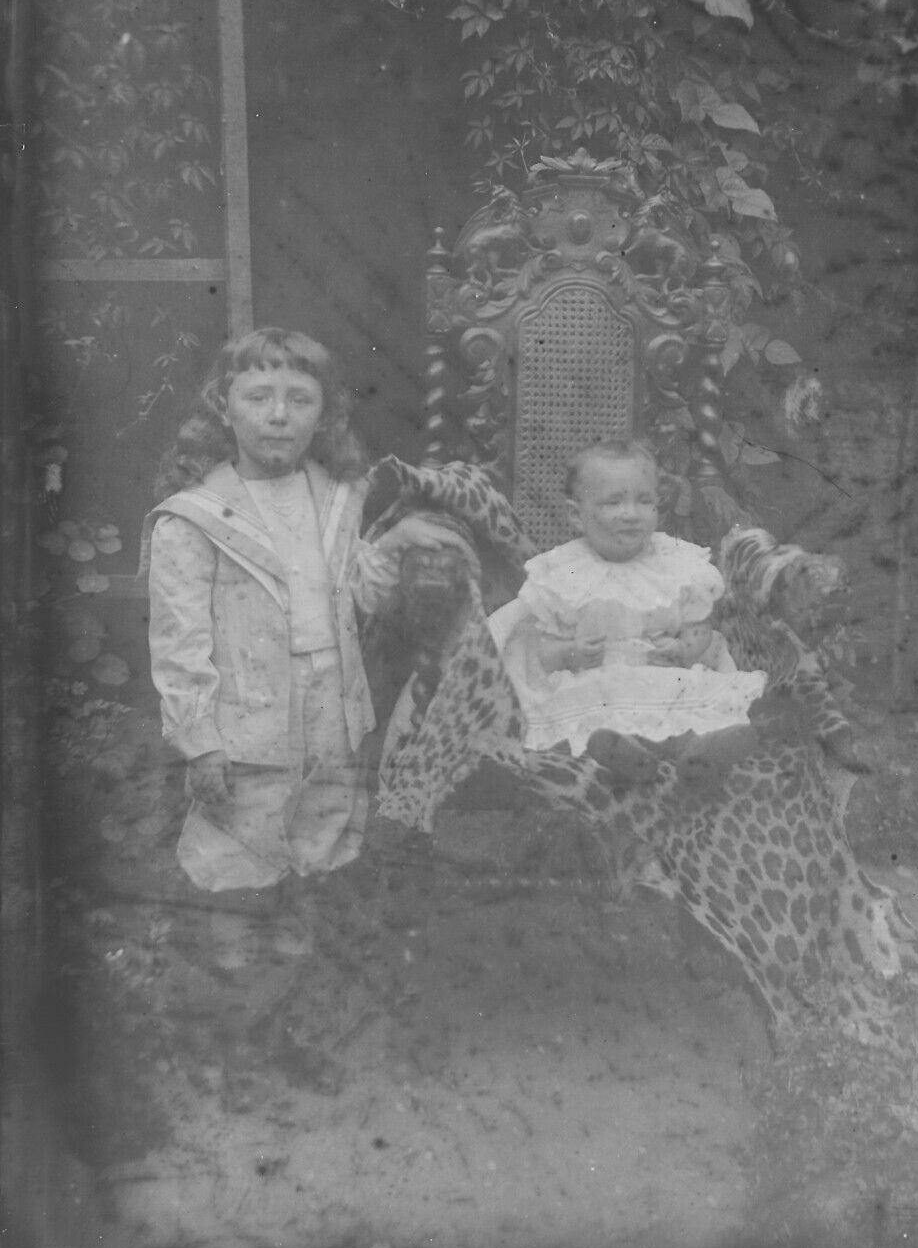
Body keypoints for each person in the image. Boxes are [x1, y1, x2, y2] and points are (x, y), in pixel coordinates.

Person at [145, 328, 463, 1099]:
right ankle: (224, 1045)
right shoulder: (192, 517)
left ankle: (287, 1033)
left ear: (323, 415)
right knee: (237, 879)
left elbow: (351, 597)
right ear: (225, 409)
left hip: (329, 716)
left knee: (312, 870)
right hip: (245, 726)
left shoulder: (338, 498)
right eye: (258, 397)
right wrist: (200, 741)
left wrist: (404, 545)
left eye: (298, 399)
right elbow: (180, 640)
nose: (278, 415)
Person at [488, 440, 767, 781]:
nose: (631, 513)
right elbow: (542, 651)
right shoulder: (565, 573)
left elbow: (701, 630)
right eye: (614, 502)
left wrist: (683, 648)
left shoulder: (677, 564)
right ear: (577, 515)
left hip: (664, 670)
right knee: (595, 709)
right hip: (598, 678)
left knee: (688, 697)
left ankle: (702, 752)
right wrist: (571, 652)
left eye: (644, 501)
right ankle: (625, 757)